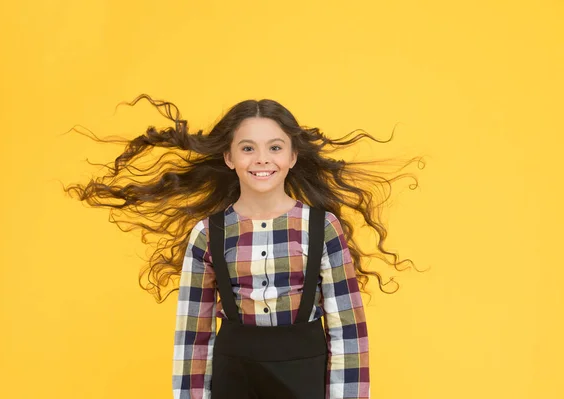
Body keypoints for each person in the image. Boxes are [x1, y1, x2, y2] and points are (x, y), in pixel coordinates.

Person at [63, 94, 424, 399]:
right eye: (247, 148)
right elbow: (193, 334)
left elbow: (348, 330)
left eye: (275, 147)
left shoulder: (322, 227)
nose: (262, 159)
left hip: (306, 376)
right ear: (229, 158)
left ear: (293, 157)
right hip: (233, 378)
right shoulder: (208, 233)